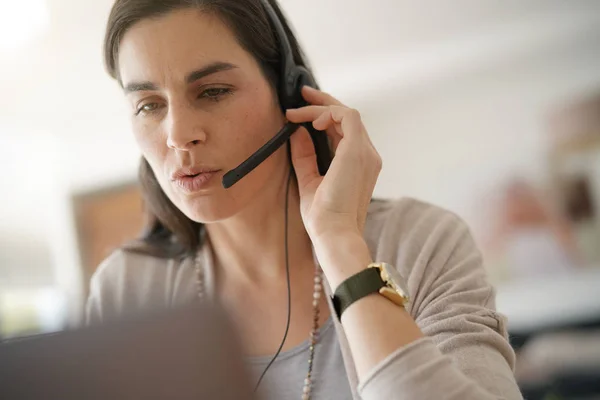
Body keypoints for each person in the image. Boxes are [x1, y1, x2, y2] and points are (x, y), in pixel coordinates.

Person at [86, 0, 523, 399]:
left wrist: (342, 249)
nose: (179, 135)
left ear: (290, 92)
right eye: (147, 105)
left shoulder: (423, 243)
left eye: (213, 91)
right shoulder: (125, 293)